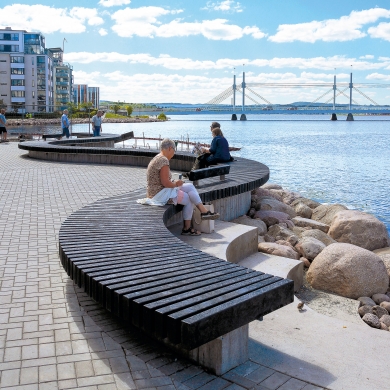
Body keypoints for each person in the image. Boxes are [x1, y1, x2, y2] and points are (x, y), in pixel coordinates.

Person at [138, 138, 220, 236]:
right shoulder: (163, 160)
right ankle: (187, 228)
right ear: (169, 148)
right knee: (188, 198)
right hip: (160, 194)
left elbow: (163, 182)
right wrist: (176, 183)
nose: (174, 153)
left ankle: (203, 212)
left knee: (189, 186)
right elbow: (165, 183)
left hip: (158, 191)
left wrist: (175, 183)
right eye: (174, 150)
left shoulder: (158, 158)